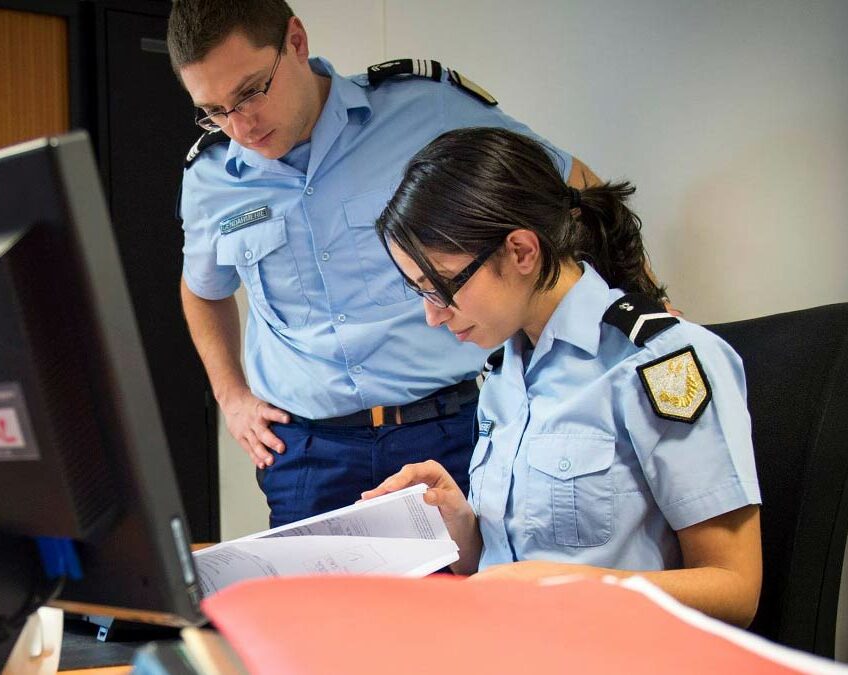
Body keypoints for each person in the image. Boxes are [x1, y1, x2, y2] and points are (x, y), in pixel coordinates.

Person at [168, 0, 603, 526]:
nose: (240, 126)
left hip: (449, 429)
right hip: (308, 454)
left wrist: (639, 312)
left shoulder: (426, 109)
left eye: (250, 91)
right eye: (214, 111)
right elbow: (203, 289)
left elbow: (575, 184)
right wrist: (231, 397)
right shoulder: (211, 176)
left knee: (480, 579)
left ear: (296, 42)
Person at [362, 127, 762, 627]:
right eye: (421, 292)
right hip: (506, 643)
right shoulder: (503, 375)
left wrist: (567, 590)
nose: (433, 315)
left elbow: (734, 591)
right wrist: (463, 528)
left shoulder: (658, 362)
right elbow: (514, 567)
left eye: (442, 287)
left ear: (521, 251)